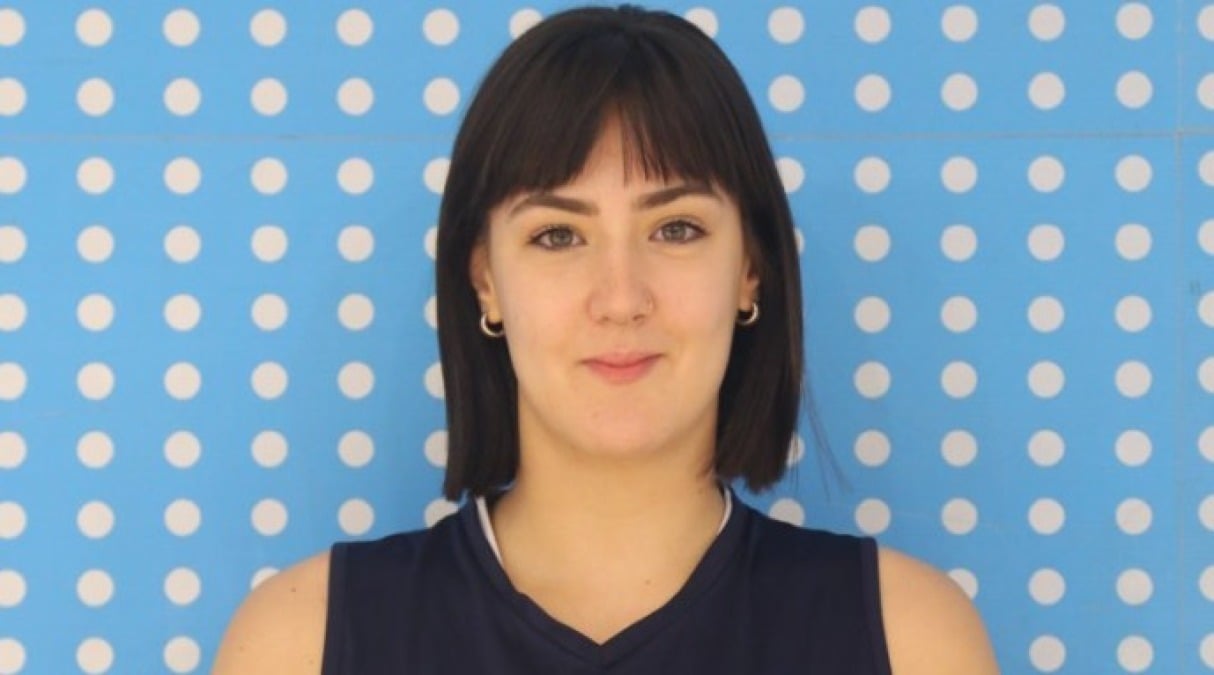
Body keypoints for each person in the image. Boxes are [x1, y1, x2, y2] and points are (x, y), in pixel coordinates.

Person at [214, 5, 1000, 673]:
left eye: (677, 228)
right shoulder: (296, 641)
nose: (621, 298)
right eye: (558, 235)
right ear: (485, 280)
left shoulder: (914, 638)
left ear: (750, 270)